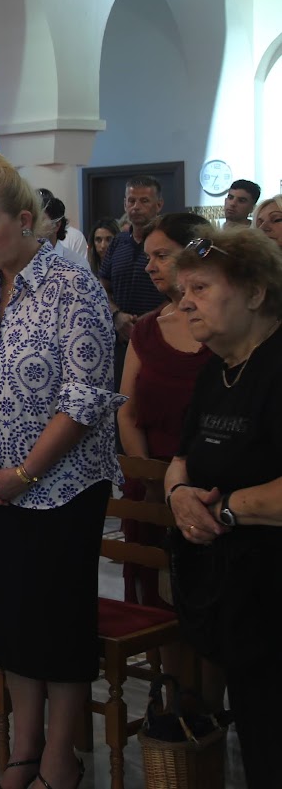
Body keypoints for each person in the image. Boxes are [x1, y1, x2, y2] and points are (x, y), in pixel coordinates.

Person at [0, 151, 123, 789]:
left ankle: (60, 758)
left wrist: (25, 473)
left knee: (55, 622)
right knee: (9, 623)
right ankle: (25, 749)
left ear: (24, 220)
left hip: (62, 488)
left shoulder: (73, 287)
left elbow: (85, 398)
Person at [164, 227, 282, 787]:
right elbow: (181, 459)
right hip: (236, 594)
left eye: (201, 288)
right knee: (258, 730)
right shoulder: (216, 369)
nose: (185, 302)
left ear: (255, 293)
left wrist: (227, 510)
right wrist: (178, 496)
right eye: (182, 290)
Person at [116, 212, 212, 608]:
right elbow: (126, 410)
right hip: (151, 477)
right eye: (147, 256)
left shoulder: (223, 328)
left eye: (162, 256)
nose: (149, 266)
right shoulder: (147, 327)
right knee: (153, 597)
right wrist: (152, 479)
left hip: (210, 482)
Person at [99, 175, 167, 387]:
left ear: (158, 205)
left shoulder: (167, 243)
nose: (136, 207)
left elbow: (179, 291)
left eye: (144, 201)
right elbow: (101, 286)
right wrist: (117, 315)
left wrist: (149, 319)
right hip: (120, 339)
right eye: (131, 201)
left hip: (160, 336)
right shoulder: (118, 242)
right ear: (125, 204)